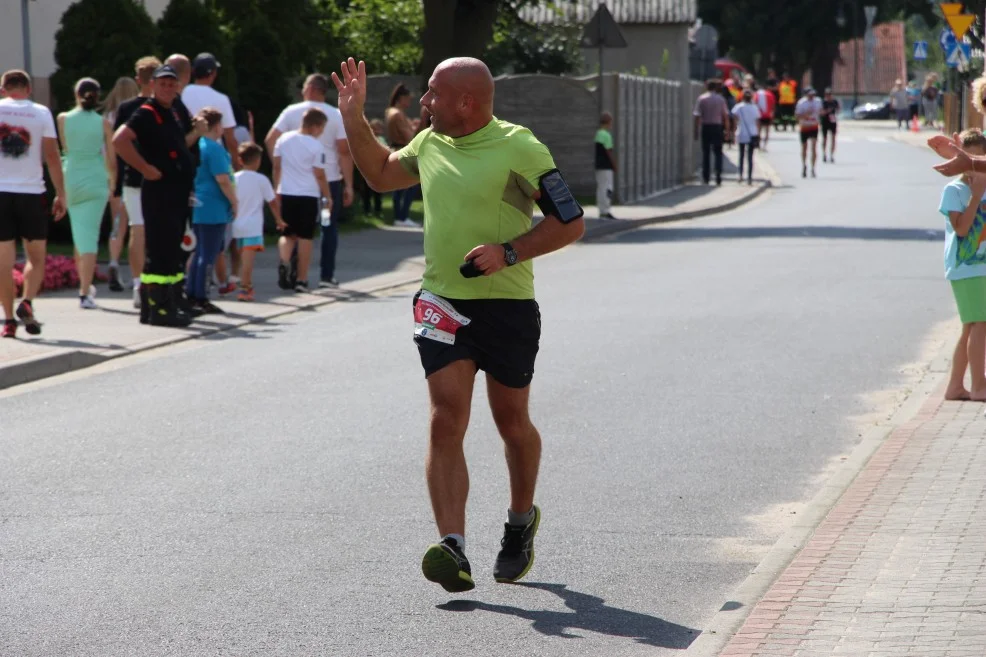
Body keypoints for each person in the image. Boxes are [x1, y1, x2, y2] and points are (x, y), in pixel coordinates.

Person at [333, 55, 586, 593]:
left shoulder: (521, 147)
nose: (422, 103)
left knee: (511, 422)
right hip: (442, 303)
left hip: (507, 307)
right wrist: (352, 117)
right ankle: (454, 546)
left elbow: (571, 221)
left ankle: (519, 523)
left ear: (465, 102)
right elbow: (379, 175)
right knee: (445, 418)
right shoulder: (428, 144)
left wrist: (510, 252)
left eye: (432, 94)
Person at [113, 64, 199, 328]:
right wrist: (144, 168)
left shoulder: (172, 111)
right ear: (152, 85)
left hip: (175, 192)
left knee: (171, 251)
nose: (167, 87)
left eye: (172, 83)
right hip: (160, 193)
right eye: (162, 83)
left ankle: (164, 304)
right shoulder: (147, 112)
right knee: (161, 251)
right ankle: (160, 309)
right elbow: (119, 140)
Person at [266, 73, 353, 288]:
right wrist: (348, 184)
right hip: (327, 182)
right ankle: (326, 276)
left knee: (291, 229)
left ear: (311, 88)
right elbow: (344, 151)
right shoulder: (335, 115)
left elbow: (270, 140)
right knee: (326, 227)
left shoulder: (290, 112)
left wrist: (281, 170)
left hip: (291, 185)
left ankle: (293, 272)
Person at [0, 69, 67, 338]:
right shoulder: (40, 112)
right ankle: (27, 302)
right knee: (36, 258)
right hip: (31, 193)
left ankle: (7, 322)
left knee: (3, 264)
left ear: (3, 89)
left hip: (1, 192)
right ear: (29, 89)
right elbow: (52, 155)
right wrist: (60, 193)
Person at [937, 129, 986, 401]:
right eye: (971, 160)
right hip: (966, 267)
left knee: (971, 325)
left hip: (981, 266)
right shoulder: (955, 190)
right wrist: (976, 195)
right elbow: (963, 229)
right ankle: (979, 386)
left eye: (980, 160)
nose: (975, 167)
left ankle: (956, 386)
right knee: (980, 323)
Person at [58, 78, 116, 309]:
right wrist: (113, 182)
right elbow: (111, 159)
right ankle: (84, 292)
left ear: (76, 93)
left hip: (71, 178)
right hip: (95, 179)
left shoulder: (62, 119)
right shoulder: (103, 123)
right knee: (89, 236)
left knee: (78, 234)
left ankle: (84, 286)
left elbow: (66, 151)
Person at [112, 56, 162, 309]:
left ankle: (137, 284)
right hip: (160, 176)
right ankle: (159, 284)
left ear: (137, 79)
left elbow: (117, 148)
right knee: (160, 230)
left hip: (133, 176)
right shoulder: (163, 107)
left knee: (137, 228)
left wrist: (117, 180)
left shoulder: (126, 108)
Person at [272, 108, 332, 293]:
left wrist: (277, 188)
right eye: (321, 128)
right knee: (305, 237)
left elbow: (276, 166)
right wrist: (327, 196)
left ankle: (284, 260)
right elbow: (319, 174)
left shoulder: (283, 139)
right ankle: (301, 279)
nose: (321, 132)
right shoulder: (316, 146)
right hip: (308, 194)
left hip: (287, 192)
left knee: (287, 234)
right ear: (314, 126)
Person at [186, 107, 236, 314]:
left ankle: (192, 293)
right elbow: (223, 179)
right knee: (209, 253)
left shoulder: (197, 145)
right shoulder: (214, 148)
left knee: (200, 252)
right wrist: (235, 202)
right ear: (216, 126)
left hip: (198, 204)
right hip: (213, 206)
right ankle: (201, 296)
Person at [102, 75, 139, 292]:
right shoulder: (137, 113)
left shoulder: (107, 117)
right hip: (132, 173)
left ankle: (114, 262)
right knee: (138, 225)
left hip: (110, 175)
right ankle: (139, 273)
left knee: (118, 224)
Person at [232, 142, 283, 302]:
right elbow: (272, 202)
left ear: (240, 160)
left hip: (236, 224)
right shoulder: (261, 180)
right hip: (253, 226)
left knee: (239, 258)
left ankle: (239, 281)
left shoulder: (234, 178)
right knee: (248, 260)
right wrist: (279, 219)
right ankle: (245, 288)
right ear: (258, 160)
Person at [181, 53, 239, 170]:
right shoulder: (221, 99)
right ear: (213, 73)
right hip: (213, 157)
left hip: (186, 152)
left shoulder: (182, 93)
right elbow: (230, 138)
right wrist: (236, 165)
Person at [385, 83, 419, 227]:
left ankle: (400, 216)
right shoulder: (397, 114)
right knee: (410, 185)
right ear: (401, 98)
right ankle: (402, 216)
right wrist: (415, 127)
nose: (409, 102)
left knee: (399, 187)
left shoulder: (390, 111)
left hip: (396, 149)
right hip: (403, 151)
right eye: (407, 98)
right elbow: (409, 136)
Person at [693, 79, 729, 186]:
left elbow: (697, 115)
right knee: (718, 152)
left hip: (706, 127)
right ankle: (718, 175)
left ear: (706, 87)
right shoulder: (721, 99)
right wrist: (727, 130)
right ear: (716, 88)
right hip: (717, 127)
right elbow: (725, 116)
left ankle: (706, 177)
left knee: (706, 153)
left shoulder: (702, 98)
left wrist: (695, 130)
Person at [731, 89, 760, 185]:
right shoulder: (754, 108)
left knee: (741, 155)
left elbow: (735, 118)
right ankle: (749, 178)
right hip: (752, 133)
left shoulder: (738, 107)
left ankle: (740, 175)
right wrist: (758, 134)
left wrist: (734, 129)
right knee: (750, 157)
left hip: (742, 132)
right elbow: (757, 122)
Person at [360, 118, 387, 216]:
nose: (377, 131)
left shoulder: (382, 140)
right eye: (375, 128)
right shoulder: (367, 140)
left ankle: (378, 210)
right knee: (367, 192)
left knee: (378, 191)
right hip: (367, 169)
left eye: (380, 128)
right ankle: (367, 210)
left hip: (379, 170)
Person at [795, 87, 822, 179]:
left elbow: (821, 112)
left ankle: (813, 168)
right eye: (810, 95)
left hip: (814, 126)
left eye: (813, 95)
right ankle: (804, 165)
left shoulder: (818, 101)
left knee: (814, 147)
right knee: (804, 147)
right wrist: (806, 114)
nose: (812, 97)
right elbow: (797, 116)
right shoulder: (801, 103)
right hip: (804, 126)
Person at [594, 111, 617, 219]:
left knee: (601, 188)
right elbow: (608, 151)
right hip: (606, 166)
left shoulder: (598, 134)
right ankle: (606, 210)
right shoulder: (606, 135)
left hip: (599, 166)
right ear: (608, 122)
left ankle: (601, 209)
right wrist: (614, 164)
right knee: (608, 188)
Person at [821, 88, 840, 164]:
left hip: (832, 121)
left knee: (833, 138)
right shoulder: (823, 102)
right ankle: (824, 154)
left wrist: (837, 110)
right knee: (825, 139)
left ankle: (831, 155)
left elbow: (838, 109)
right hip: (825, 121)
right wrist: (827, 111)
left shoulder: (834, 102)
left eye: (830, 95)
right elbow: (821, 112)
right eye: (827, 95)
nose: (829, 96)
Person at [755, 82, 775, 152]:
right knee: (767, 131)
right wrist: (772, 114)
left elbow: (755, 103)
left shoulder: (757, 94)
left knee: (759, 131)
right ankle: (764, 146)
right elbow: (773, 105)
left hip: (759, 115)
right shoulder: (770, 94)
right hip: (768, 115)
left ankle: (759, 145)